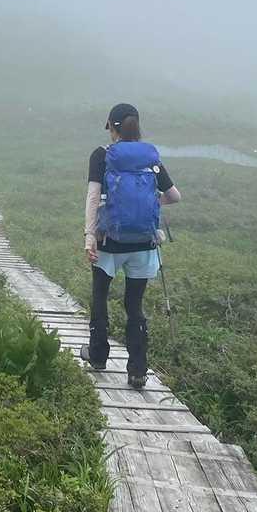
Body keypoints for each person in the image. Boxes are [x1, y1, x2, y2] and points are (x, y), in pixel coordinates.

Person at [82, 102, 182, 387]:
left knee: (100, 296)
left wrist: (89, 235)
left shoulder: (102, 155)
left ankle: (98, 355)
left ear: (112, 128)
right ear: (136, 127)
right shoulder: (150, 156)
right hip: (143, 244)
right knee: (134, 304)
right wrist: (151, 201)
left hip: (109, 241)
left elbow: (93, 197)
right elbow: (174, 196)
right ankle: (138, 369)